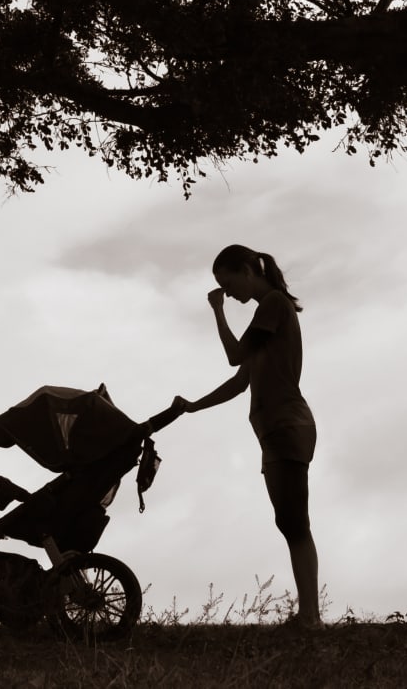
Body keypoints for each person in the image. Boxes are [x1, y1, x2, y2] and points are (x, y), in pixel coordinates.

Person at [171, 244, 320, 629]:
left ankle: (311, 617)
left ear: (246, 270)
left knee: (295, 523)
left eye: (228, 282)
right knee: (288, 523)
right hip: (273, 430)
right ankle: (308, 615)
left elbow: (235, 355)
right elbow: (241, 380)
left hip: (288, 425)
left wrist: (217, 312)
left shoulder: (272, 304)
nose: (229, 293)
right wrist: (193, 406)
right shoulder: (265, 316)